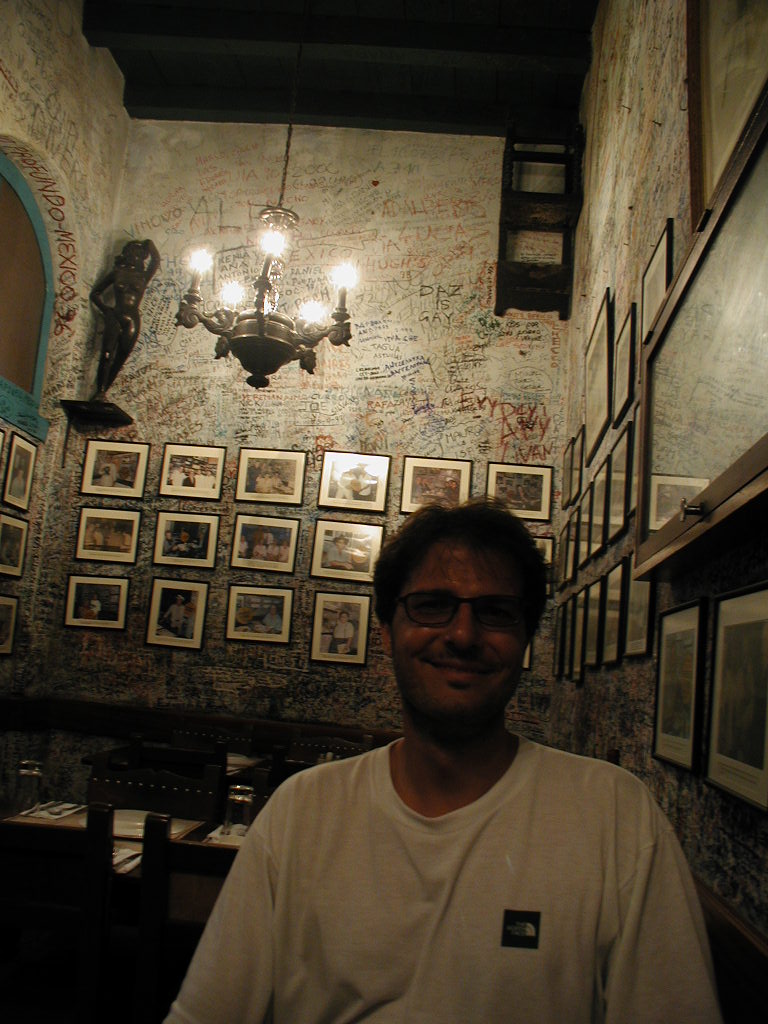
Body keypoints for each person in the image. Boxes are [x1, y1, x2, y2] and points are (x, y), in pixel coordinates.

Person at [163, 498, 723, 1024]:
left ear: (526, 637)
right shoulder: (301, 811)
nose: (462, 634)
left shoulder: (616, 815)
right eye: (432, 606)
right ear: (387, 632)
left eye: (496, 612)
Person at [90, 238, 160, 398]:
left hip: (132, 319)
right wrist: (106, 310)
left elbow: (156, 261)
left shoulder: (143, 276)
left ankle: (104, 391)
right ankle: (100, 391)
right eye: (131, 252)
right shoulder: (118, 273)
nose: (134, 256)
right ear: (126, 254)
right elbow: (95, 294)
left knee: (121, 358)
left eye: (137, 253)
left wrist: (150, 244)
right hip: (115, 314)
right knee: (107, 353)